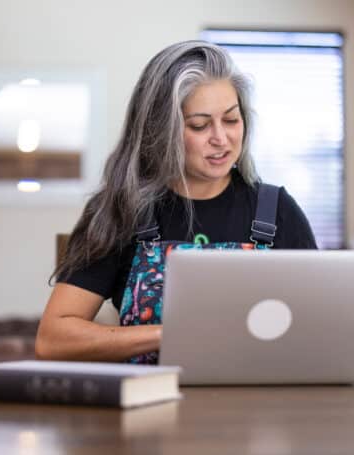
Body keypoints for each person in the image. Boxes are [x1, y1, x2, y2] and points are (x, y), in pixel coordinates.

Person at [35, 40, 317, 363]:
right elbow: (53, 339)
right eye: (199, 125)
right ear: (161, 131)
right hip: (153, 404)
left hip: (260, 407)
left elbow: (319, 325)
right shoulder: (122, 210)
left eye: (231, 120)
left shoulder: (277, 210)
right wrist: (171, 334)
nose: (221, 139)